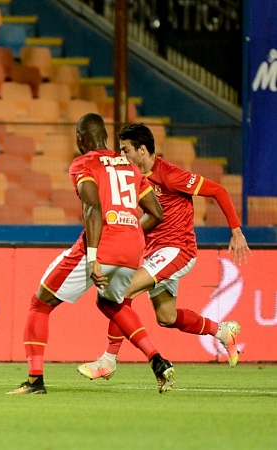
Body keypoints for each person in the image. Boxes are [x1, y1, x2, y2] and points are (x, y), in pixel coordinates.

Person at [7, 113, 175, 395]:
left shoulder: (83, 163)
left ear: (80, 139)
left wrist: (94, 257)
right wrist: (129, 231)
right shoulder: (130, 166)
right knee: (111, 304)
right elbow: (156, 213)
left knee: (40, 303)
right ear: (107, 139)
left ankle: (35, 381)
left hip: (101, 244)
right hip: (132, 248)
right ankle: (158, 360)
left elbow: (93, 207)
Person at [77, 123, 251, 380]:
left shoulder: (170, 175)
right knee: (167, 317)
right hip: (155, 254)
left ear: (142, 150)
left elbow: (218, 190)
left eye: (125, 150)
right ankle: (223, 332)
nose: (122, 155)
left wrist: (236, 231)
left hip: (177, 250)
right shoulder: (131, 177)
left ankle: (108, 360)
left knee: (121, 292)